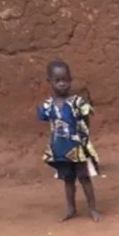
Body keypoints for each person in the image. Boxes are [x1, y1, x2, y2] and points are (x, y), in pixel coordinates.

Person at [39, 61, 102, 222]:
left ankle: (93, 209)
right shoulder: (48, 105)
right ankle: (71, 209)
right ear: (50, 82)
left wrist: (84, 141)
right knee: (68, 180)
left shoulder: (77, 102)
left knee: (84, 178)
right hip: (60, 149)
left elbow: (85, 122)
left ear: (70, 79)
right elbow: (49, 123)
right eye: (57, 80)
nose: (62, 83)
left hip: (78, 148)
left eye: (65, 80)